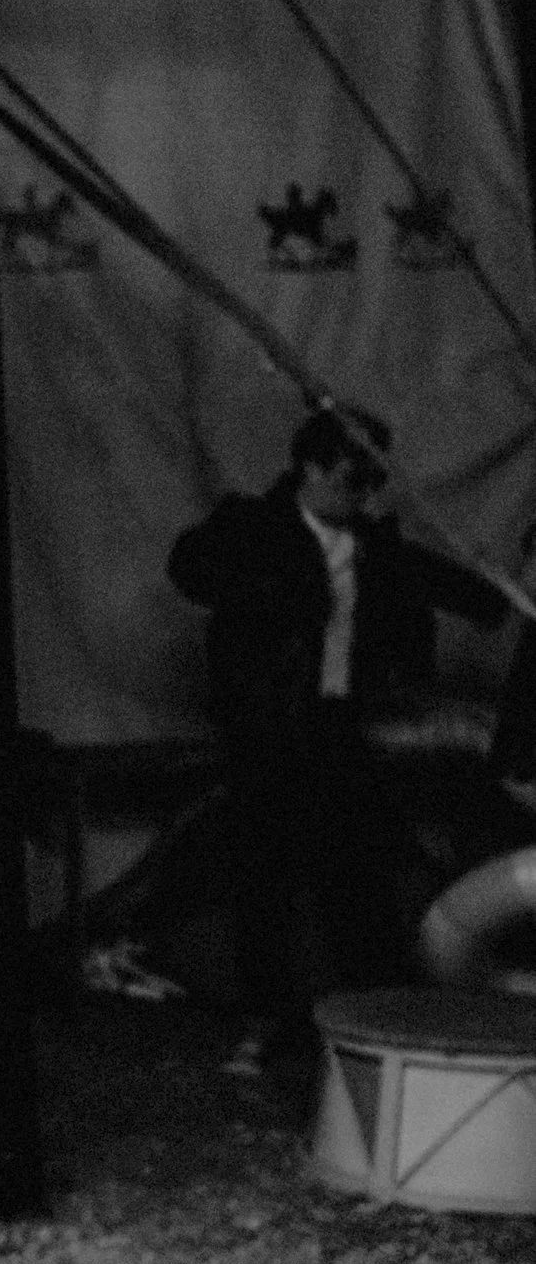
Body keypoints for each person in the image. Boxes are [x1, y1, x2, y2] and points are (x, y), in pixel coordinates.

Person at [168, 404, 508, 1074]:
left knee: (357, 880)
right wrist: (251, 571)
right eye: (354, 476)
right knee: (264, 882)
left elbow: (467, 593)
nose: (365, 493)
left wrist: (503, 593)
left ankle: (380, 1029)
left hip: (343, 732)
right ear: (311, 468)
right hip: (268, 734)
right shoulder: (252, 528)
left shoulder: (377, 547)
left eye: (376, 480)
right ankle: (265, 1026)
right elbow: (189, 569)